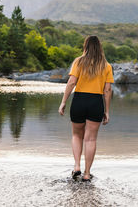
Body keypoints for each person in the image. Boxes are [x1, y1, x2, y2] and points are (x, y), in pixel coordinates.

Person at [58, 35, 114, 182]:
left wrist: (63, 101)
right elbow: (107, 90)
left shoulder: (79, 61)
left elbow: (71, 82)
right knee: (90, 139)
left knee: (77, 135)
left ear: (86, 46)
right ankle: (87, 174)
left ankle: (77, 167)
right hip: (96, 102)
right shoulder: (106, 66)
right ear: (100, 47)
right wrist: (107, 111)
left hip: (79, 101)